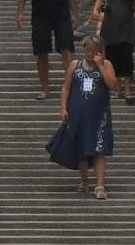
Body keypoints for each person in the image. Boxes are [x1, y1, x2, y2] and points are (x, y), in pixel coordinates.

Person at [50, 37, 118, 197]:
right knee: (81, 147)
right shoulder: (75, 65)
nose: (89, 53)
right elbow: (66, 88)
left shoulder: (106, 65)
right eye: (87, 50)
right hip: (78, 112)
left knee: (99, 148)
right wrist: (63, 108)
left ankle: (100, 185)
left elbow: (113, 85)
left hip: (99, 114)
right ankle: (85, 180)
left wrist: (100, 65)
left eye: (93, 51)